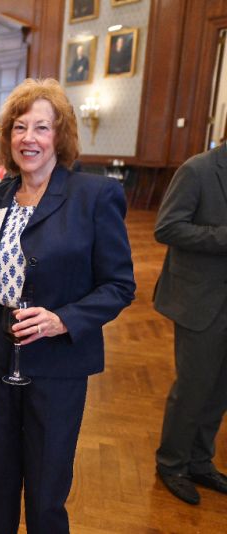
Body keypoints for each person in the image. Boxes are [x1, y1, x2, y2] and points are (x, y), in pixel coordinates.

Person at [0, 78, 135, 533]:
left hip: (57, 362)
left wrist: (63, 319)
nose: (29, 138)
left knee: (45, 488)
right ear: (7, 136)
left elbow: (119, 285)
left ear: (60, 135)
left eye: (42, 127)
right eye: (19, 127)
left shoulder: (94, 196)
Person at [154, 143, 227, 505]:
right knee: (195, 386)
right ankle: (172, 464)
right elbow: (167, 227)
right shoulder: (197, 169)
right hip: (200, 299)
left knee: (220, 389)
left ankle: (200, 460)